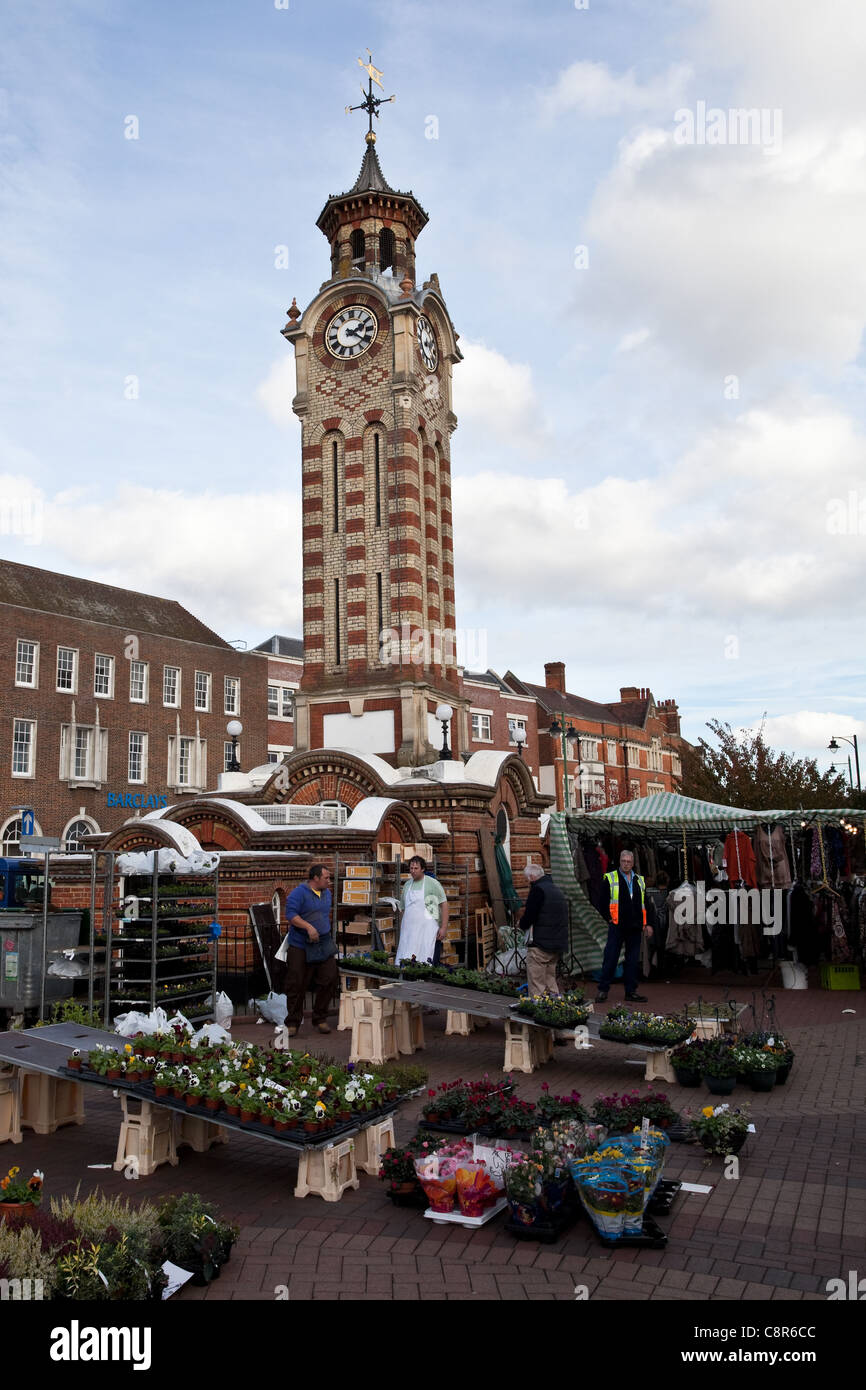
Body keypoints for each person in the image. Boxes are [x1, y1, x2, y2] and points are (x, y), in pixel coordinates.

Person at [283, 863, 336, 1037]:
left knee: (329, 977)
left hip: (323, 943)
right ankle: (292, 1022)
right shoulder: (299, 893)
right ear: (315, 878)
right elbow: (291, 915)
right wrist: (308, 927)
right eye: (326, 878)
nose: (329, 881)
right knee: (297, 983)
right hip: (300, 944)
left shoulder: (327, 893)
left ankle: (320, 1018)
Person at [596, 849, 653, 1003]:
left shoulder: (639, 880)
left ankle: (631, 991)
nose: (626, 864)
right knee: (611, 958)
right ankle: (603, 990)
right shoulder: (610, 878)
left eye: (629, 861)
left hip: (635, 926)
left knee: (632, 961)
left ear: (633, 863)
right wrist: (608, 918)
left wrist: (647, 924)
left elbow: (645, 904)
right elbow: (601, 901)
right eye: (624, 861)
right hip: (617, 925)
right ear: (619, 861)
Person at [518, 862, 569, 998]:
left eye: (527, 879)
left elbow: (529, 916)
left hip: (541, 944)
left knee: (537, 985)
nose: (527, 883)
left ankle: (538, 1012)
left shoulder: (538, 890)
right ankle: (556, 1008)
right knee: (550, 981)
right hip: (557, 943)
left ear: (532, 877)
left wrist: (521, 925)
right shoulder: (555, 889)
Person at [396, 856, 448, 965]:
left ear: (423, 869)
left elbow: (444, 904)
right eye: (411, 868)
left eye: (416, 868)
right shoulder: (407, 885)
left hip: (427, 931)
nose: (413, 871)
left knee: (426, 961)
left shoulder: (432, 883)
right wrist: (402, 927)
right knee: (407, 961)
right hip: (409, 932)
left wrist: (443, 927)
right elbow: (403, 909)